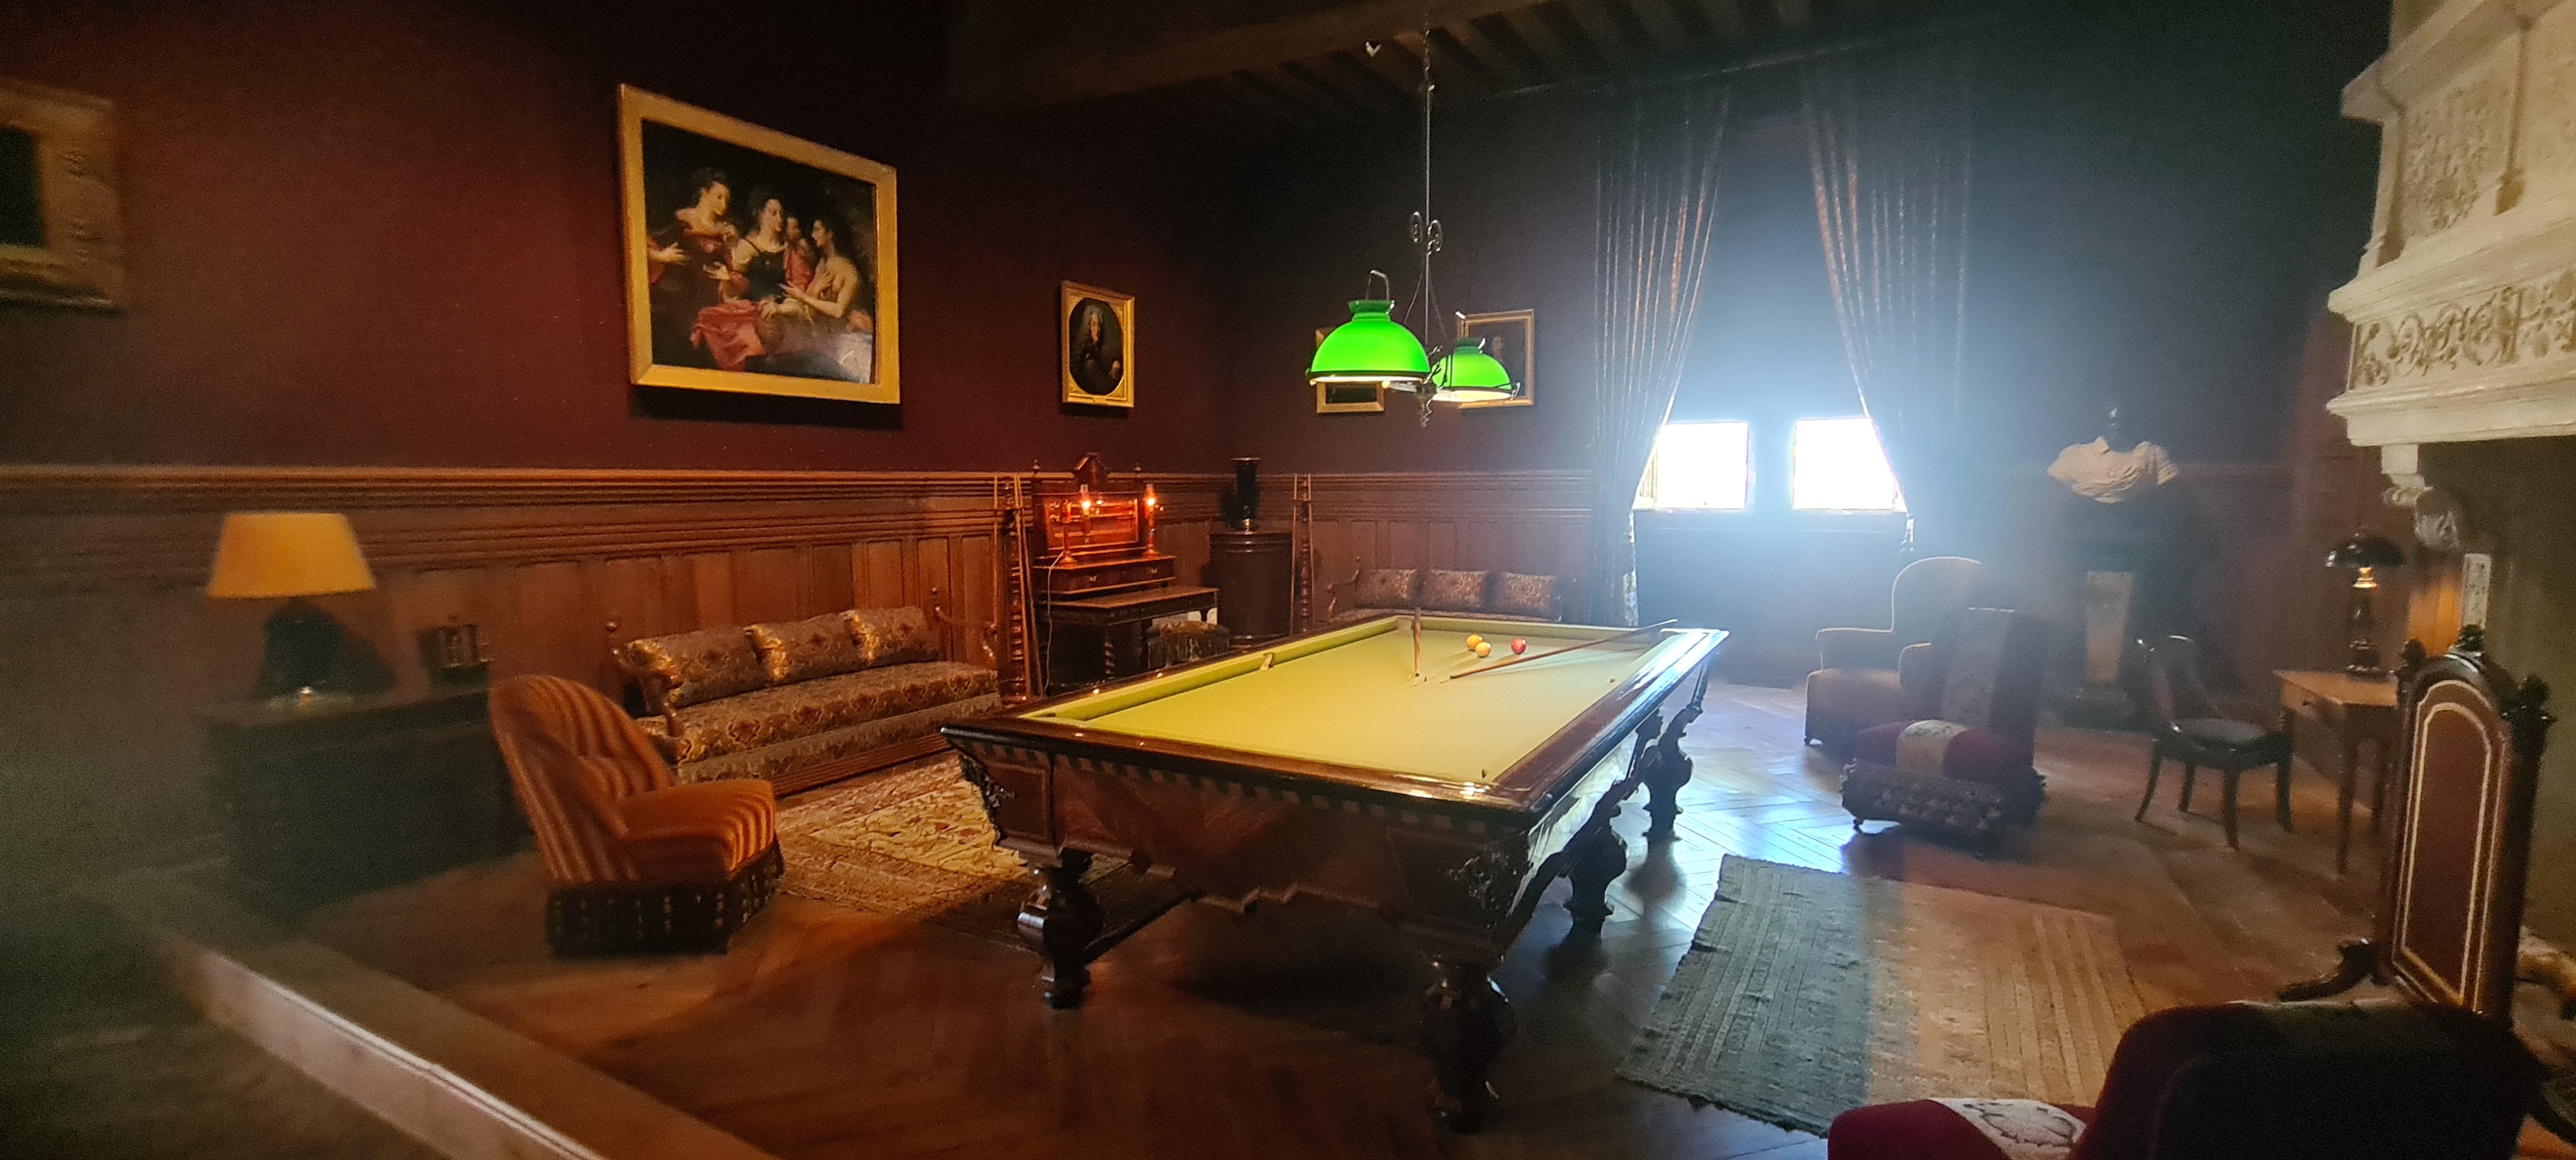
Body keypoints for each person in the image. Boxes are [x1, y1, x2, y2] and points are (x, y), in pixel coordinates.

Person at [689, 194, 790, 372]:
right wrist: (729, 279)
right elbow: (736, 284)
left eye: (781, 214)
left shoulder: (788, 249)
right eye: (773, 213)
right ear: (760, 215)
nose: (779, 219)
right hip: (751, 310)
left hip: (785, 311)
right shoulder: (748, 247)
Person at [645, 169, 738, 359]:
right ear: (704, 193)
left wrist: (727, 276)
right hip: (679, 292)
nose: (723, 204)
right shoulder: (681, 221)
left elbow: (734, 270)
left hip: (711, 297)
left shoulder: (726, 233)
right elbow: (644, 243)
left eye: (726, 200)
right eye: (719, 197)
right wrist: (660, 256)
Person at [770, 213, 875, 381]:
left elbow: (839, 311)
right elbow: (810, 314)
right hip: (827, 341)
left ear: (830, 234)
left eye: (817, 230)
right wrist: (809, 294)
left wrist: (803, 297)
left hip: (848, 344)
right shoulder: (822, 265)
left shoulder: (846, 269)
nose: (813, 235)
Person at [1068, 300, 1123, 395]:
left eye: (1099, 325)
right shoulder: (1088, 360)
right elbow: (1104, 388)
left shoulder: (1097, 352)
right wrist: (1114, 372)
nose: (1097, 329)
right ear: (1087, 327)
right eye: (1094, 324)